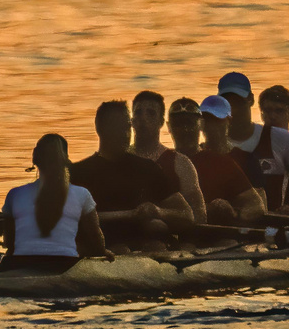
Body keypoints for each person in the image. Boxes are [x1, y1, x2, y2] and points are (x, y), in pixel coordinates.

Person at [70, 100, 195, 250]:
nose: (125, 134)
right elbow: (72, 218)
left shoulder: (148, 169)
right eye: (117, 127)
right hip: (102, 247)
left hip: (146, 248)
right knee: (120, 249)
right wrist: (130, 215)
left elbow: (186, 215)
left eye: (127, 126)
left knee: (156, 244)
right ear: (100, 128)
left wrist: (159, 212)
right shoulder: (78, 173)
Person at [216, 71, 289, 215]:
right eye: (228, 102)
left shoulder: (282, 138)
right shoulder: (213, 142)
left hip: (271, 226)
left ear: (250, 100)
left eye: (238, 101)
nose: (233, 108)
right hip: (228, 224)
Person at [0, 133, 107, 274]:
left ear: (36, 160)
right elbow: (96, 244)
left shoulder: (15, 195)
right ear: (65, 162)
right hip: (65, 266)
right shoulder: (82, 194)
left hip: (19, 264)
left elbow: (9, 244)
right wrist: (104, 252)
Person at [131, 90, 206, 226]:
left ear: (161, 122)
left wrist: (159, 213)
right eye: (138, 112)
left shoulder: (181, 163)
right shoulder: (118, 158)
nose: (143, 118)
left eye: (151, 113)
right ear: (132, 121)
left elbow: (199, 215)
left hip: (170, 240)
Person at [191, 95, 265, 226]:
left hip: (233, 227)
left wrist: (234, 213)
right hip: (200, 224)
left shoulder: (247, 159)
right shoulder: (192, 157)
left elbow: (260, 204)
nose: (211, 126)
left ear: (229, 121)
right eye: (206, 120)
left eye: (217, 120)